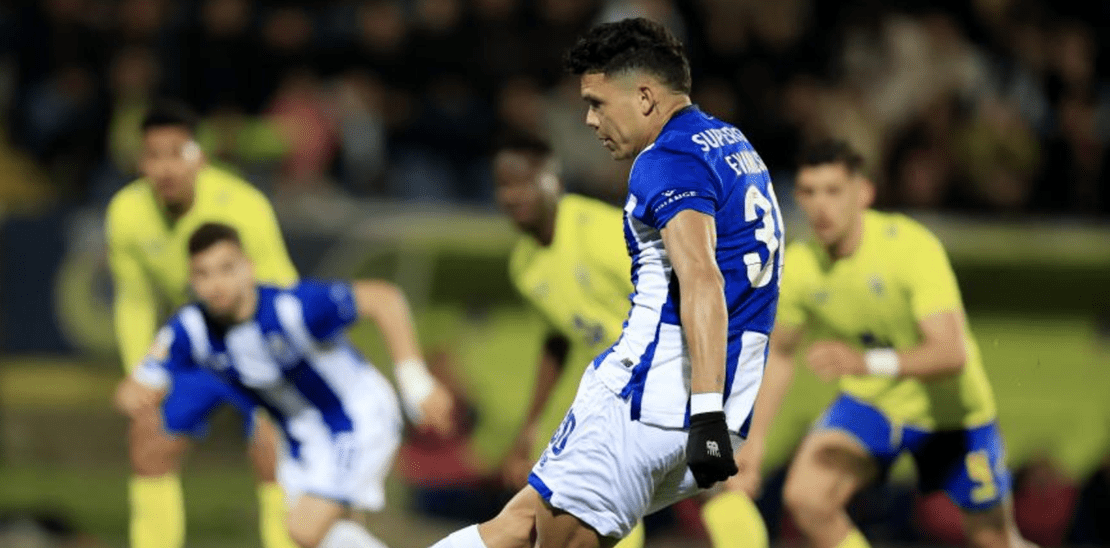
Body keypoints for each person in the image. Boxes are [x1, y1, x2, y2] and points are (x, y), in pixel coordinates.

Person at [432, 18, 783, 548]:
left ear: (644, 96)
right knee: (520, 524)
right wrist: (715, 412)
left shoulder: (663, 162)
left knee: (538, 532)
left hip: (647, 397)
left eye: (598, 102)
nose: (590, 120)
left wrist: (705, 411)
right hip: (722, 395)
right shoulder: (732, 144)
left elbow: (702, 278)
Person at [727, 139, 1034, 548]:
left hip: (951, 414)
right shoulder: (800, 266)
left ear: (864, 193)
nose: (821, 205)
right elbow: (781, 354)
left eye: (834, 191)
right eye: (809, 192)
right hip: (873, 404)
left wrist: (866, 363)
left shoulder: (910, 249)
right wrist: (754, 441)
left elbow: (950, 353)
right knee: (807, 498)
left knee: (993, 539)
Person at [492, 132, 770, 548]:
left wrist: (709, 385)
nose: (512, 195)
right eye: (503, 185)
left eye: (522, 182)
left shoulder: (601, 231)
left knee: (704, 482)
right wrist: (529, 426)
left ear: (552, 181)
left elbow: (685, 282)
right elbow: (557, 340)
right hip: (624, 388)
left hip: (673, 368)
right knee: (610, 490)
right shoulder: (524, 266)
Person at [114, 222, 456, 548]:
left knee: (303, 529)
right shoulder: (190, 327)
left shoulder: (290, 308)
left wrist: (416, 384)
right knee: (329, 536)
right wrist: (136, 395)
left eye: (226, 269)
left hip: (355, 419)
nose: (215, 284)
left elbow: (384, 298)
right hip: (304, 437)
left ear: (248, 268)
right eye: (203, 274)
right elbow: (140, 383)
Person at [105, 100, 298, 548]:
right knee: (148, 439)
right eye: (154, 155)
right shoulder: (125, 213)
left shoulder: (245, 206)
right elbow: (133, 300)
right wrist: (142, 374)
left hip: (258, 345)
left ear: (201, 157)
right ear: (141, 162)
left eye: (178, 152)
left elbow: (281, 292)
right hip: (196, 346)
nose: (166, 167)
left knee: (272, 453)